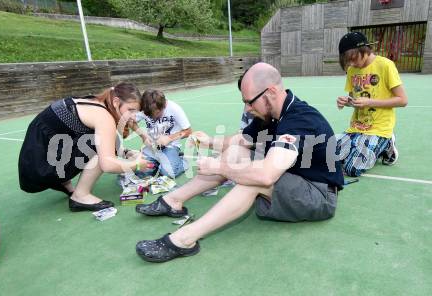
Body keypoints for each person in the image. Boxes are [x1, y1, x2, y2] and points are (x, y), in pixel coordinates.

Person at [134, 62, 344, 263]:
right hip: (296, 179)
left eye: (249, 101)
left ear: (270, 92)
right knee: (236, 152)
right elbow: (238, 141)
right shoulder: (270, 114)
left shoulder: (300, 119)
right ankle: (174, 201)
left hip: (319, 194)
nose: (246, 108)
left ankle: (184, 239)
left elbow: (265, 176)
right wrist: (208, 141)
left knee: (254, 179)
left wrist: (219, 167)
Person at [18, 82, 151, 211]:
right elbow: (107, 164)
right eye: (130, 110)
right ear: (116, 102)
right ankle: (80, 196)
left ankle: (63, 182)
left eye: (136, 112)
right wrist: (137, 164)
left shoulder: (99, 102)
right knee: (100, 147)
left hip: (35, 157)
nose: (133, 116)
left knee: (103, 140)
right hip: (37, 169)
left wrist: (125, 152)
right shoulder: (104, 117)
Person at [336, 32, 408, 177]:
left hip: (378, 128)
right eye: (347, 61)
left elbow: (402, 100)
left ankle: (387, 144)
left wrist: (370, 102)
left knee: (352, 169)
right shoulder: (352, 70)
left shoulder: (385, 65)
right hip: (356, 128)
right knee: (329, 157)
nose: (351, 64)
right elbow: (355, 99)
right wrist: (347, 102)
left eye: (353, 59)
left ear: (364, 50)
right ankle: (363, 146)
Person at [132, 89, 192, 178]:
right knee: (140, 172)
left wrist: (169, 138)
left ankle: (182, 161)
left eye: (156, 114)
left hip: (170, 147)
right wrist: (143, 136)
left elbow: (188, 131)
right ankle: (159, 163)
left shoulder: (174, 108)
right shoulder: (145, 108)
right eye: (149, 115)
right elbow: (131, 121)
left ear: (163, 106)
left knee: (169, 173)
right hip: (151, 147)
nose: (154, 118)